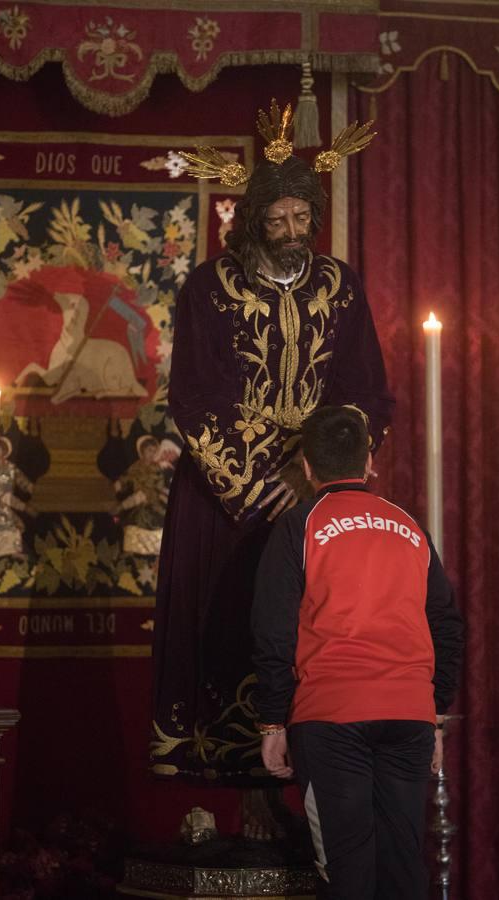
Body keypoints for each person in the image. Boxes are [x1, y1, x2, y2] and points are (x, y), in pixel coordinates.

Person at [151, 102, 395, 805]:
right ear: (252, 219)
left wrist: (309, 468)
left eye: (300, 219)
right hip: (222, 499)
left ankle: (310, 763)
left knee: (309, 620)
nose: (291, 233)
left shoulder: (340, 285)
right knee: (224, 617)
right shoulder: (209, 288)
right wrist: (258, 481)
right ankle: (224, 784)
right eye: (276, 219)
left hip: (316, 489)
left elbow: (364, 390)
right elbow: (195, 395)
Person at [251, 405, 464, 895]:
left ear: (306, 466)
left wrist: (270, 722)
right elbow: (448, 626)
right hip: (408, 715)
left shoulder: (297, 526)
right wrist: (433, 712)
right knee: (403, 869)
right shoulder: (409, 526)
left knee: (348, 874)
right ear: (369, 462)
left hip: (331, 720)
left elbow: (272, 631)